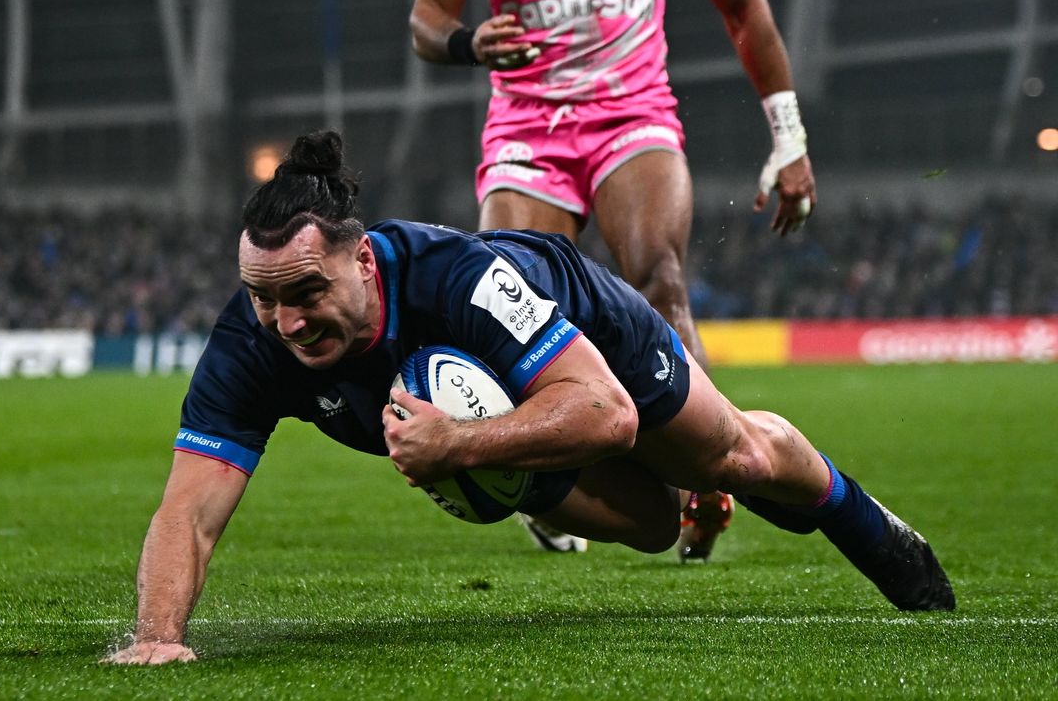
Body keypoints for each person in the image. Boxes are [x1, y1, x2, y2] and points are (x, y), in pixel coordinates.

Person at [104, 132, 951, 665]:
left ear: (361, 262)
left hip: (585, 332)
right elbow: (189, 511)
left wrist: (458, 446)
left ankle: (868, 525)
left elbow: (609, 413)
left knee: (736, 458)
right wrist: (158, 638)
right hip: (507, 414)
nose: (286, 321)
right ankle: (597, 474)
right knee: (653, 526)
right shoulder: (251, 346)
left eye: (306, 292)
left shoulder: (456, 278)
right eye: (263, 297)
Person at [408, 0, 818, 555]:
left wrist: (790, 140)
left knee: (661, 280)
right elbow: (426, 21)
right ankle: (541, 481)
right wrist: (467, 43)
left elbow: (745, 11)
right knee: (506, 306)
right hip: (527, 126)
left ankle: (707, 475)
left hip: (632, 114)